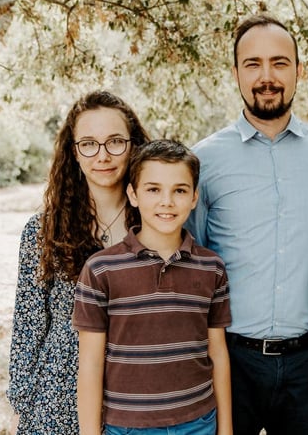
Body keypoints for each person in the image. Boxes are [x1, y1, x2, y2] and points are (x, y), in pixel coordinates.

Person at [185, 13, 308, 435]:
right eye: (253, 64)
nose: (267, 76)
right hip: (230, 358)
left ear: (299, 70)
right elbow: (192, 256)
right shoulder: (205, 161)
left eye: (279, 63)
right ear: (236, 73)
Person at [7, 90, 151, 434]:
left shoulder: (157, 223)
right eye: (88, 143)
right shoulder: (43, 231)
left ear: (134, 145)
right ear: (74, 152)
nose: (102, 155)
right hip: (58, 396)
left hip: (136, 395)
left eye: (115, 141)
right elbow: (28, 324)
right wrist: (20, 406)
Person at [73, 139, 233, 435]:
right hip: (127, 426)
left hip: (198, 422)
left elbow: (218, 354)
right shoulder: (100, 269)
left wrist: (225, 429)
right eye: (153, 189)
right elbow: (91, 364)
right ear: (133, 194)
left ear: (195, 197)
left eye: (180, 190)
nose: (167, 202)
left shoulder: (212, 268)